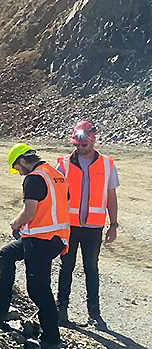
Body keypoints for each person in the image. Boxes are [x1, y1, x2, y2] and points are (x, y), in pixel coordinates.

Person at [0, 143, 73, 349]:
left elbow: (30, 212)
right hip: (56, 239)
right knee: (7, 254)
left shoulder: (34, 178)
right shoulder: (55, 174)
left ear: (22, 161)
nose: (18, 173)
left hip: (40, 240)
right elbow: (59, 203)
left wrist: (15, 223)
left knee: (38, 289)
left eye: (17, 168)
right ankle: (1, 306)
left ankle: (51, 339)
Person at [57, 120, 120, 330]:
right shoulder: (64, 164)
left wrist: (113, 224)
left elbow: (111, 196)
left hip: (93, 228)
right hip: (69, 226)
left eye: (83, 145)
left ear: (93, 140)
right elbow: (54, 195)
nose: (80, 148)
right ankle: (61, 308)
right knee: (66, 267)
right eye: (76, 145)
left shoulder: (106, 164)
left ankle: (94, 313)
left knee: (91, 268)